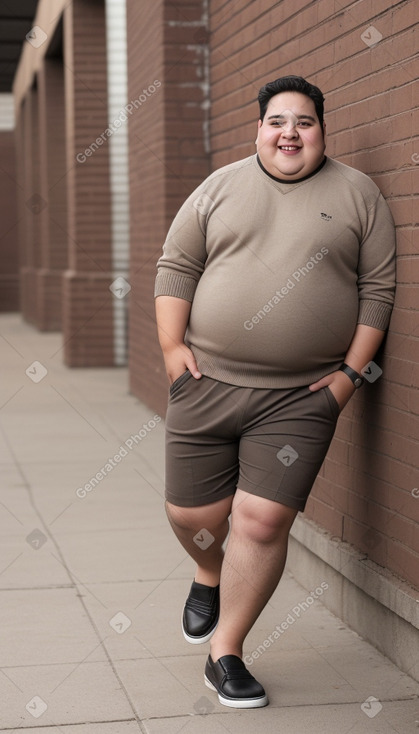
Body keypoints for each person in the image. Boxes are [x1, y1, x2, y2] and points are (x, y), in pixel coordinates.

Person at [154, 75, 396, 708]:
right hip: (206, 383)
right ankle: (208, 572)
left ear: (322, 130)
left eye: (305, 122)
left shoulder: (357, 193)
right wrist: (173, 351)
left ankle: (226, 651)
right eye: (278, 122)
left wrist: (348, 377)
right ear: (259, 129)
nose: (291, 133)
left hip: (300, 396)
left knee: (261, 521)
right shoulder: (219, 188)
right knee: (193, 517)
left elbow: (378, 291)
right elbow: (176, 267)